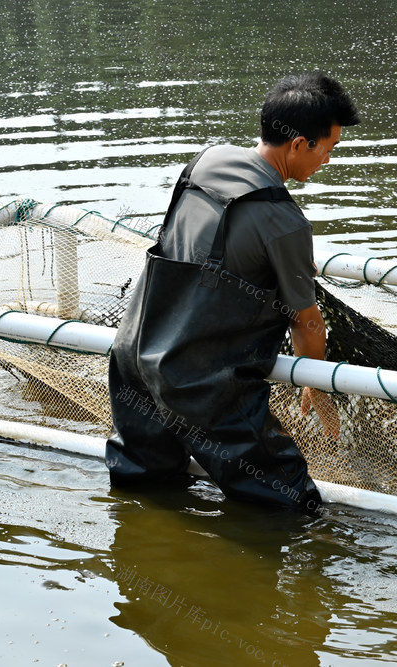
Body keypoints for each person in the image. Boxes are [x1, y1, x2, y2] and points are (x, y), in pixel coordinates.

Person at [106, 71, 360, 512]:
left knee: (144, 493)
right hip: (202, 386)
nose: (328, 161)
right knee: (292, 505)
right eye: (329, 148)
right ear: (299, 144)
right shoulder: (285, 222)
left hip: (134, 360)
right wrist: (315, 384)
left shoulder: (206, 161)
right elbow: (307, 321)